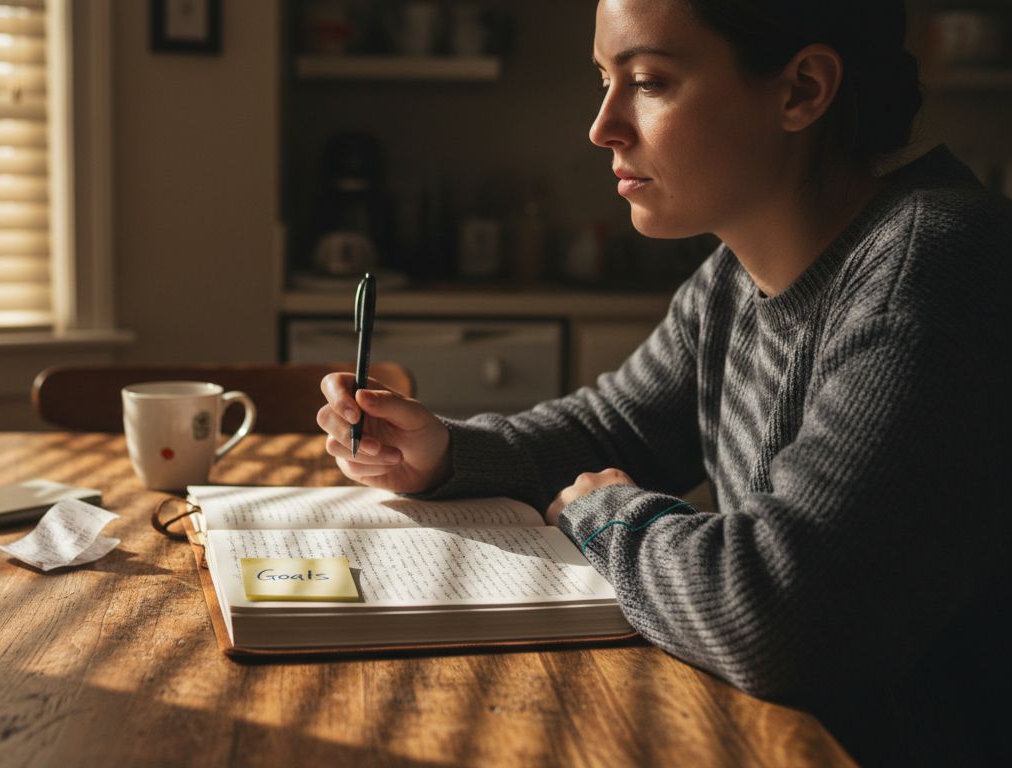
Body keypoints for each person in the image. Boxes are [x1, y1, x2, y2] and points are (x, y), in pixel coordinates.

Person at [316, 0, 1011, 763]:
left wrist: (609, 514)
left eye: (647, 81)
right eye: (603, 80)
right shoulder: (736, 279)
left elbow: (779, 614)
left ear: (802, 91)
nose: (602, 126)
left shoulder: (935, 267)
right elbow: (610, 430)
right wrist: (444, 452)